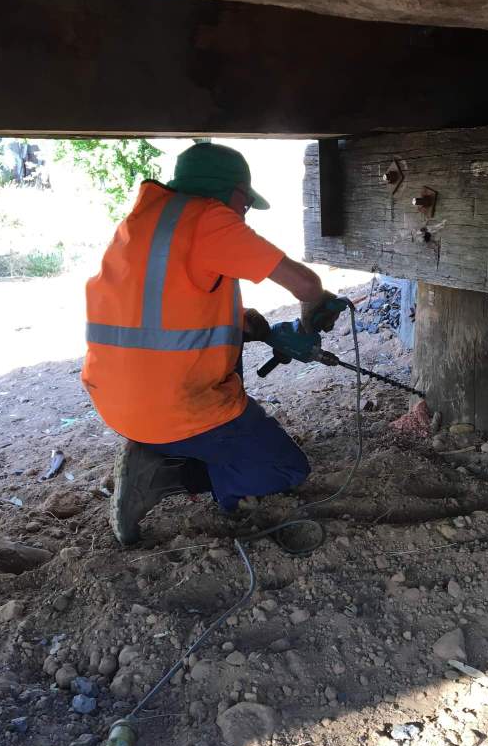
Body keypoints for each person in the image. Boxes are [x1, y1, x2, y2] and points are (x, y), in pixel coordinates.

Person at [82, 142, 342, 546]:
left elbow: (160, 306)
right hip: (171, 408)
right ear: (231, 193)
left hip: (115, 402)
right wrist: (317, 308)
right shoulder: (209, 217)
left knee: (230, 417)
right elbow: (307, 285)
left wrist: (239, 322)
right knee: (286, 469)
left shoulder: (142, 222)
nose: (245, 214)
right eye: (245, 204)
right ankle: (164, 476)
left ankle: (166, 448)